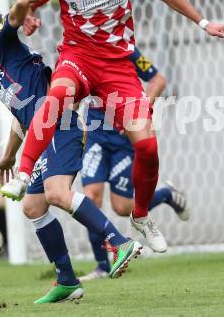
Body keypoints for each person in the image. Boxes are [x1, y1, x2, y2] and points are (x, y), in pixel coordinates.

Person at [3, 0, 224, 253]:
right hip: (78, 57)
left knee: (148, 148)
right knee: (57, 96)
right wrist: (26, 18)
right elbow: (24, 7)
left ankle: (141, 216)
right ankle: (24, 173)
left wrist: (203, 22)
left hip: (119, 66)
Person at [0, 0, 141, 304]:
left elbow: (13, 17)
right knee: (33, 206)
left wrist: (24, 1)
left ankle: (119, 240)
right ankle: (68, 281)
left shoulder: (1, 41)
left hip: (61, 127)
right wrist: (8, 155)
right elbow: (22, 118)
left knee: (57, 194)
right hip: (42, 134)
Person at [79, 47, 190, 281]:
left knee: (122, 207)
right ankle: (102, 265)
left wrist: (139, 108)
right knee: (91, 198)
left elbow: (158, 79)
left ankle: (167, 194)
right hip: (96, 136)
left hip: (123, 140)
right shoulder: (77, 50)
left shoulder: (122, 47)